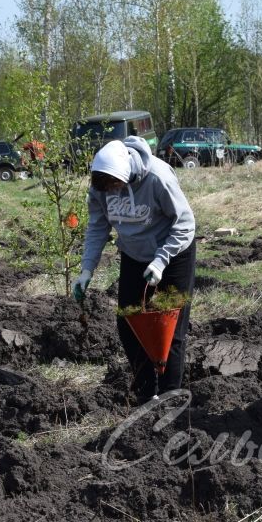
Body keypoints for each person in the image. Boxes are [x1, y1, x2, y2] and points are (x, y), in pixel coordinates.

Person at [72, 136, 196, 401]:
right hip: (134, 255)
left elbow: (185, 224)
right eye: (107, 188)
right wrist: (86, 270)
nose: (112, 192)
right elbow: (98, 226)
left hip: (173, 254)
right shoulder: (100, 187)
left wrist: (161, 260)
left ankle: (169, 398)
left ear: (126, 174)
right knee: (129, 323)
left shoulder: (158, 178)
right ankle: (145, 392)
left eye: (116, 185)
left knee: (168, 328)